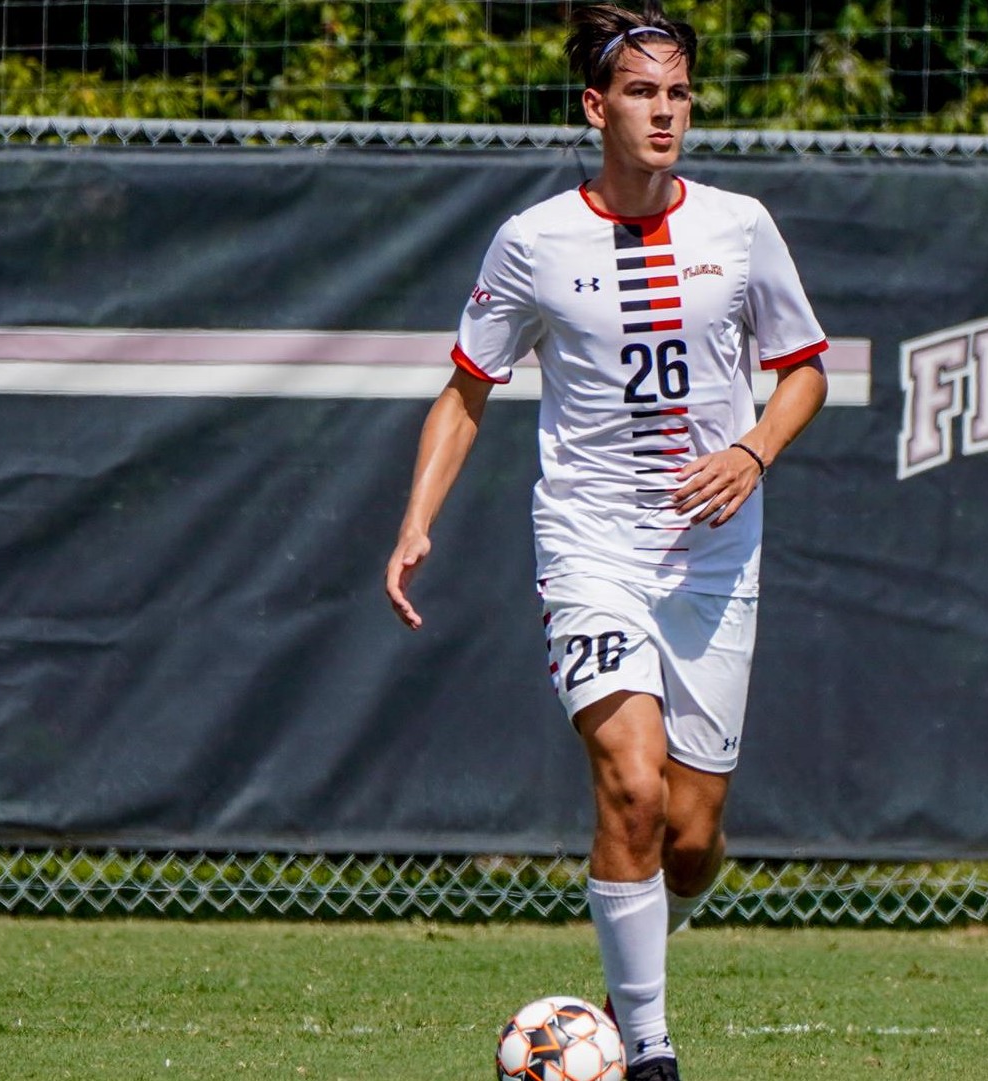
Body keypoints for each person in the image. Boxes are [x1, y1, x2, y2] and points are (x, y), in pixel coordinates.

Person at [384, 4, 828, 1078]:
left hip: (713, 556)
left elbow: (804, 370)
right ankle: (651, 1048)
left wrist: (754, 450)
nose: (664, 112)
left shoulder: (739, 227)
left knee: (688, 836)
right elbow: (465, 390)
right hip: (589, 548)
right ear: (596, 107)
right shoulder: (534, 242)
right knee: (630, 784)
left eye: (678, 93)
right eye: (640, 92)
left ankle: (644, 953)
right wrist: (415, 519)